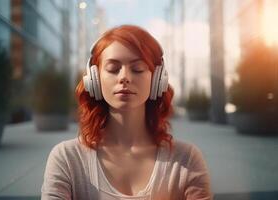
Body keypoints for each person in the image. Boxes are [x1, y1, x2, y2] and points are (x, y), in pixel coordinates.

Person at [41, 24, 213, 200]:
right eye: (113, 69)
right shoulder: (67, 159)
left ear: (158, 79)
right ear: (94, 79)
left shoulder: (186, 160)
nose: (124, 77)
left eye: (137, 68)